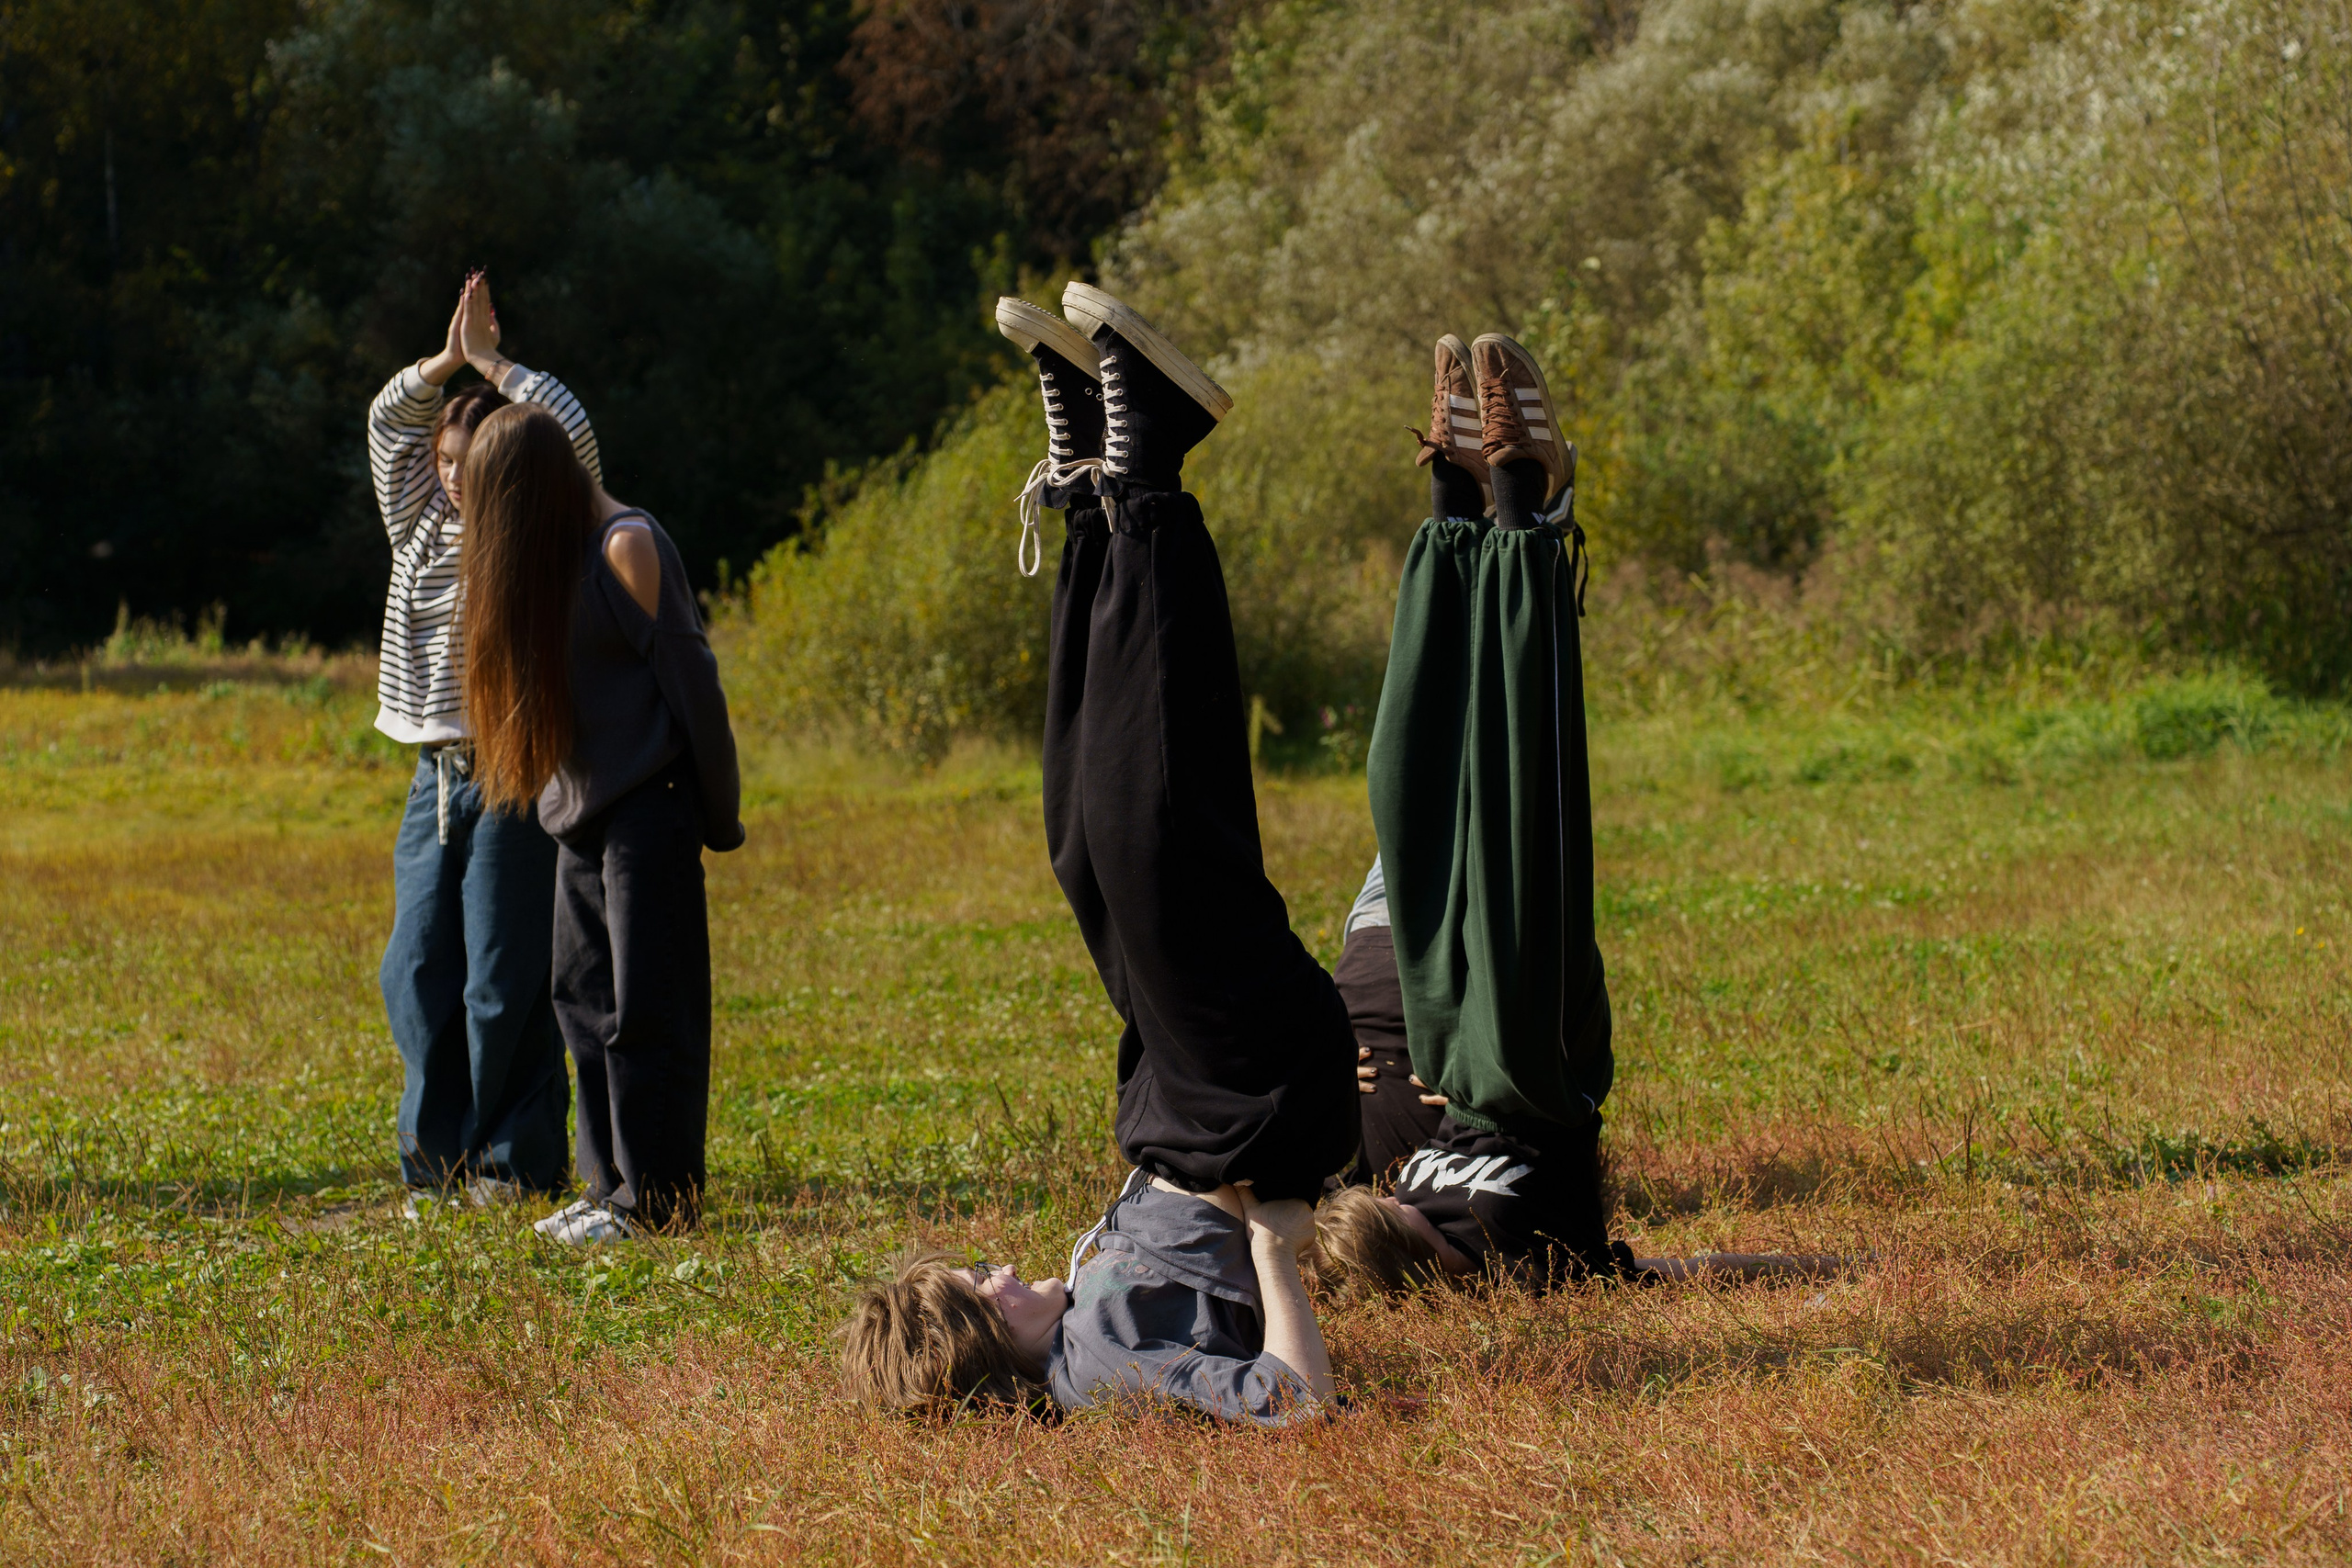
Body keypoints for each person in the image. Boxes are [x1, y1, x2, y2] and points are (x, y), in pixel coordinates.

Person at [838, 287, 1359, 1424]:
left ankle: (1092, 498)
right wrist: (1276, 1255)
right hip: (1254, 1100)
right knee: (1150, 830)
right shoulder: (1100, 1372)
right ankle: (1153, 481)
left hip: (1178, 1096)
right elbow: (1295, 1408)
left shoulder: (1078, 1321)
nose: (995, 1270)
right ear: (991, 1354)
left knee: (1082, 839)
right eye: (984, 1293)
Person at [1316, 335, 1837, 1297]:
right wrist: (1827, 1268)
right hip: (1532, 1061)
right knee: (1520, 774)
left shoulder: (1400, 1206)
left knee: (1412, 782)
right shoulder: (1521, 1272)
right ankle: (1527, 499)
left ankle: (1459, 501)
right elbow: (1672, 1273)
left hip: (1441, 1041)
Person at [449, 403, 744, 1246]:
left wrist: (716, 817)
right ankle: (607, 1184)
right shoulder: (546, 559)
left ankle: (655, 1204)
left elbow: (698, 694)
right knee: (580, 997)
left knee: (646, 1009)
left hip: (649, 808)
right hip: (576, 815)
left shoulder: (627, 545)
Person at [368, 272, 599, 1217]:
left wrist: (500, 367)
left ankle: (516, 1167)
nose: (457, 474)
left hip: (515, 769)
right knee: (418, 968)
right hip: (435, 774)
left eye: (474, 459)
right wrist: (447, 362)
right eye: (447, 459)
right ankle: (437, 1165)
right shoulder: (417, 525)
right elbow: (388, 425)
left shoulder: (539, 536)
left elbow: (570, 435)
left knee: (503, 978)